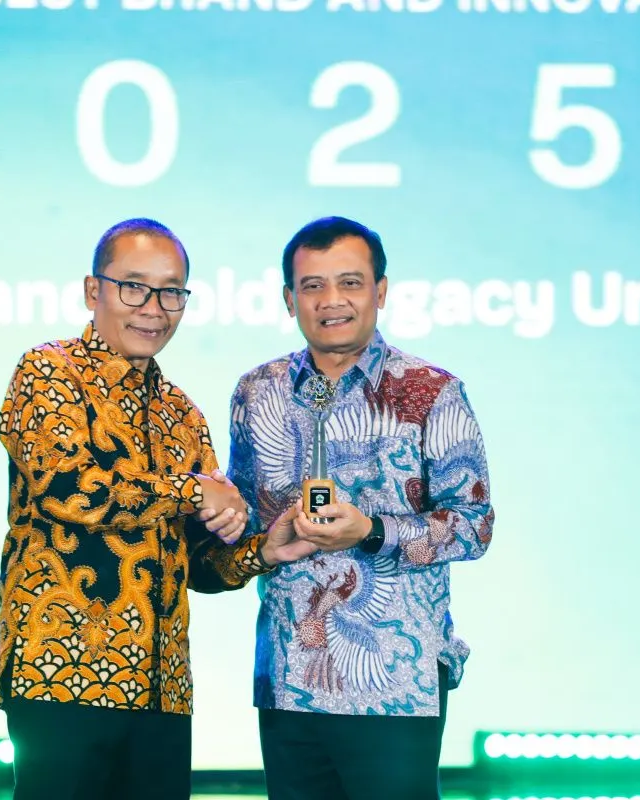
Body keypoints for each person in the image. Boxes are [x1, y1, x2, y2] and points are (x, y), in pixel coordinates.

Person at [0, 218, 313, 800]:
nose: (153, 308)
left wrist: (262, 552)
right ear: (93, 291)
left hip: (163, 689)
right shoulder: (49, 372)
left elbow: (199, 564)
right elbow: (70, 490)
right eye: (134, 287)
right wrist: (193, 491)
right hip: (62, 674)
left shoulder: (181, 413)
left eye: (171, 292)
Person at [224, 216, 496, 799]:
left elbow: (474, 527)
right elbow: (242, 524)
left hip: (397, 683)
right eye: (313, 286)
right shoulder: (258, 391)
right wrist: (231, 523)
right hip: (289, 675)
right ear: (289, 299)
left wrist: (372, 530)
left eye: (349, 282)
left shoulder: (431, 391)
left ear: (381, 291)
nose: (331, 301)